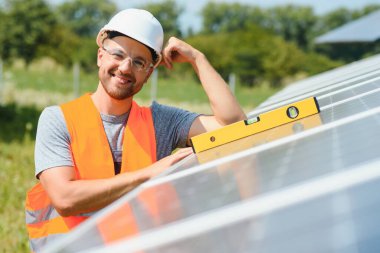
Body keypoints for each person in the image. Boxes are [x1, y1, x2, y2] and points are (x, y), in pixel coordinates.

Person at [25, 8, 246, 252]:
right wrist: (149, 174)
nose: (125, 68)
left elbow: (233, 127)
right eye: (117, 54)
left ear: (149, 73)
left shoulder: (162, 121)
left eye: (139, 62)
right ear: (100, 56)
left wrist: (197, 59)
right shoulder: (58, 119)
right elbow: (65, 198)